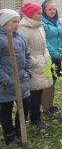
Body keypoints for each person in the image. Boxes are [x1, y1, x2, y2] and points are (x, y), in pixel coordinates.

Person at [0, 9, 32, 146]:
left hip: (22, 80)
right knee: (6, 110)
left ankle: (20, 131)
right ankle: (10, 135)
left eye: (18, 21)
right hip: (5, 84)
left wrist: (28, 72)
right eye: (13, 21)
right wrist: (6, 79)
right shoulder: (1, 39)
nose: (17, 24)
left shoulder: (20, 36)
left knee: (25, 107)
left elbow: (27, 55)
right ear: (4, 23)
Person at [19, 3, 53, 129]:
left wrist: (46, 57)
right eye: (38, 13)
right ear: (30, 14)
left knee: (38, 93)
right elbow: (23, 50)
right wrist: (34, 61)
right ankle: (34, 118)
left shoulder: (39, 26)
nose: (41, 15)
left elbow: (44, 45)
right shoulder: (23, 28)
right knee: (33, 94)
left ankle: (37, 117)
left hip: (42, 62)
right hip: (33, 65)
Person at [41, 0, 62, 116]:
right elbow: (44, 41)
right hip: (48, 57)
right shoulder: (42, 23)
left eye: (54, 9)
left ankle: (51, 105)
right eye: (49, 9)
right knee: (47, 82)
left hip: (58, 57)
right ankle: (45, 108)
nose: (52, 11)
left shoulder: (57, 22)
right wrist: (56, 54)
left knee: (53, 81)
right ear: (44, 10)